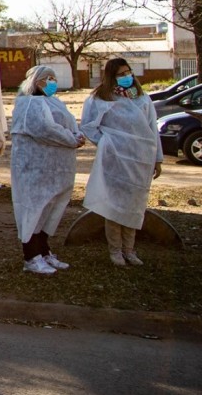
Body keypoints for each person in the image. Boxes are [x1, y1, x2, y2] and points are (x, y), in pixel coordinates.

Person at [81, 57, 163, 267]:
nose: (127, 77)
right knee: (114, 205)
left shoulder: (142, 98)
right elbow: (89, 126)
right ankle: (115, 250)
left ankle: (130, 250)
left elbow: (153, 129)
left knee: (135, 205)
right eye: (121, 74)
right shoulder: (101, 98)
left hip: (140, 159)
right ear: (111, 76)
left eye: (129, 72)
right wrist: (107, 143)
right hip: (115, 160)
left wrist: (157, 158)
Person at [10, 66, 86, 275]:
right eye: (47, 78)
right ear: (35, 81)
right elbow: (45, 129)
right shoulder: (29, 104)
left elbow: (67, 124)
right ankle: (31, 257)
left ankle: (44, 252)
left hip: (56, 168)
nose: (52, 82)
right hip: (35, 168)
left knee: (49, 210)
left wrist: (76, 135)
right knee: (34, 209)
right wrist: (72, 139)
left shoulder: (52, 101)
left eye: (54, 77)